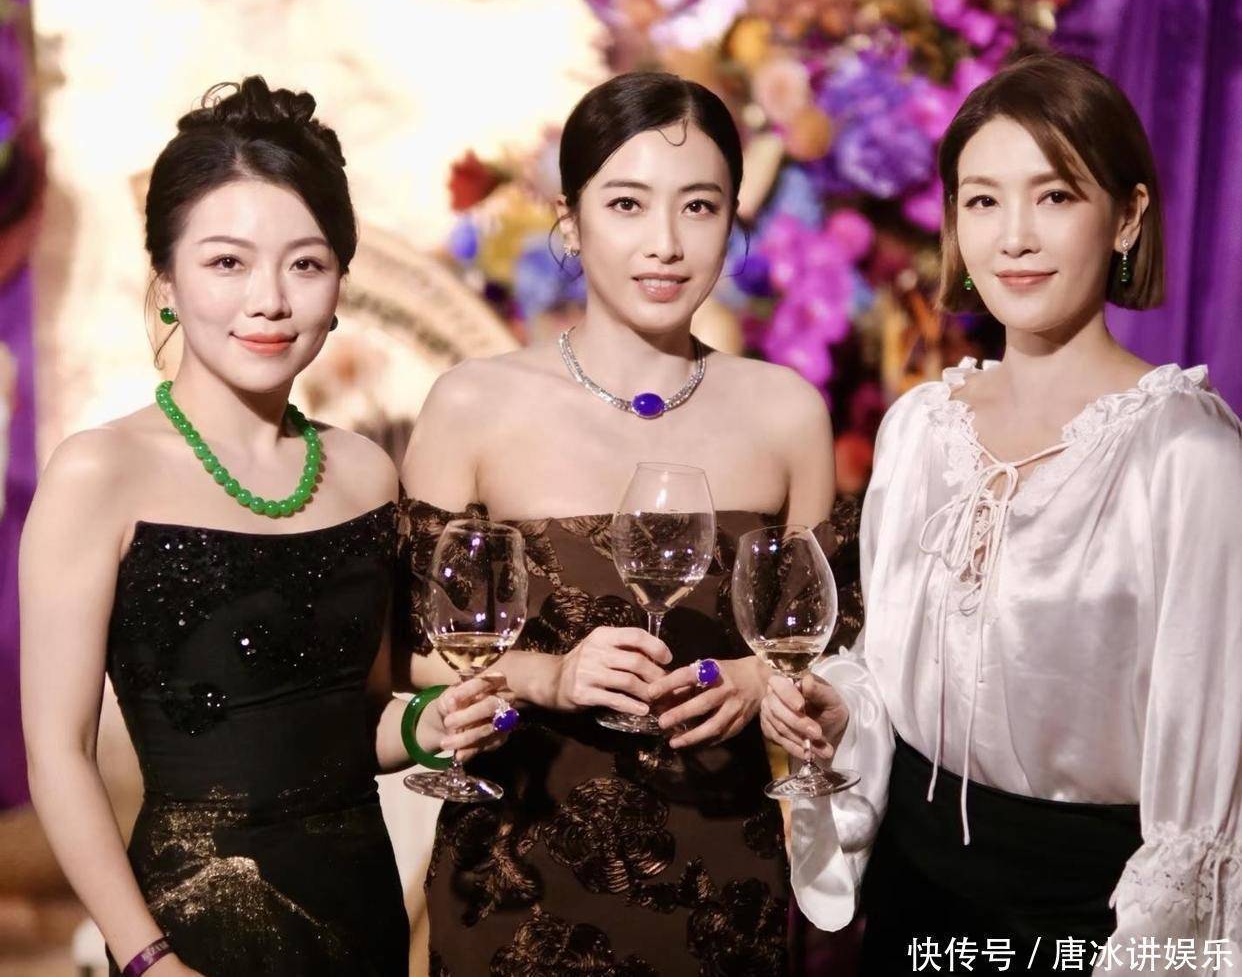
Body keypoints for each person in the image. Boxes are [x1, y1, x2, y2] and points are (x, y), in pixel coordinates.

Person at [762, 52, 1242, 968]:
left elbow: (1207, 785)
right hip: (914, 898)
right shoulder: (921, 428)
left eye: (1054, 195)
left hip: (1094, 912)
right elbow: (890, 671)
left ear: (1127, 215)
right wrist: (838, 710)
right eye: (982, 201)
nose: (1014, 237)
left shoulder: (1188, 456)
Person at [20, 78, 508, 977]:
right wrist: (147, 958)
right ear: (166, 281)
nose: (270, 299)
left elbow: (343, 724)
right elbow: (58, 756)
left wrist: (426, 724)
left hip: (361, 920)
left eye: (306, 264)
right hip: (192, 933)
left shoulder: (364, 471)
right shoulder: (98, 473)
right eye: (227, 262)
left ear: (340, 285)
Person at [400, 70, 847, 976]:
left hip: (727, 873)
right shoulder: (473, 404)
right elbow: (410, 652)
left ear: (733, 222)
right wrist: (550, 676)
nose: (666, 243)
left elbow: (832, 642)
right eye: (628, 203)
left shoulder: (786, 411)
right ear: (570, 221)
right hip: (517, 877)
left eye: (699, 206)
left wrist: (759, 679)